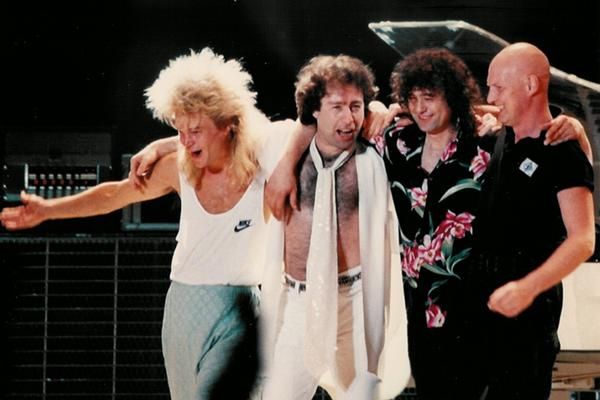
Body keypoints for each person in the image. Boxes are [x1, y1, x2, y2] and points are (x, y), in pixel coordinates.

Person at [265, 47, 591, 400]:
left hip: (486, 315)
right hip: (424, 320)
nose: (420, 107)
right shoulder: (396, 141)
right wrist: (286, 163)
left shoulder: (486, 143)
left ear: (452, 98)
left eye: (430, 97)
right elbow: (322, 113)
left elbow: (570, 199)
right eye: (413, 98)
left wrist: (577, 129)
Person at [0, 48, 277, 400]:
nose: (186, 140)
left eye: (194, 130)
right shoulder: (179, 167)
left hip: (240, 310)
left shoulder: (267, 173)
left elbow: (286, 133)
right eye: (179, 130)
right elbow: (114, 195)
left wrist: (160, 144)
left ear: (227, 124)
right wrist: (48, 209)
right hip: (184, 309)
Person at [259, 54, 409, 400]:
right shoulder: (282, 147)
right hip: (300, 300)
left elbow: (440, 116)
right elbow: (226, 134)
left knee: (362, 394)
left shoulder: (375, 154)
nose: (349, 118)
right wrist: (158, 146)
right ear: (314, 110)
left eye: (356, 106)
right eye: (337, 107)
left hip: (353, 300)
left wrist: (383, 109)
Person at [471, 42, 595, 399]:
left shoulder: (562, 149)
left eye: (499, 87)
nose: (491, 97)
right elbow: (448, 108)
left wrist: (527, 288)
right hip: (482, 305)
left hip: (528, 312)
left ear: (530, 85)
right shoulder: (501, 135)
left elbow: (583, 239)